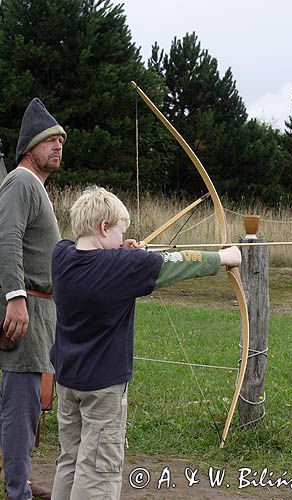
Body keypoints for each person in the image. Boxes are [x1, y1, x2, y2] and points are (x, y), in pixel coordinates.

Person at [50, 186, 241, 500]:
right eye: (120, 230)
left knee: (70, 458)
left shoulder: (62, 254)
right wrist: (225, 257)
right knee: (98, 471)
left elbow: (95, 256)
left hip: (68, 381)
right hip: (102, 387)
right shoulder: (123, 265)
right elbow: (179, 261)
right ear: (103, 228)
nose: (124, 236)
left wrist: (124, 251)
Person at [0, 98, 67, 500]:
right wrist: (15, 298)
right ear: (30, 147)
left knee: (23, 401)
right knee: (21, 404)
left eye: (61, 140)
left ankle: (17, 480)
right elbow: (6, 240)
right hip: (28, 305)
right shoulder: (22, 182)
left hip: (41, 307)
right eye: (50, 140)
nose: (58, 146)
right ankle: (16, 489)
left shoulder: (34, 188)